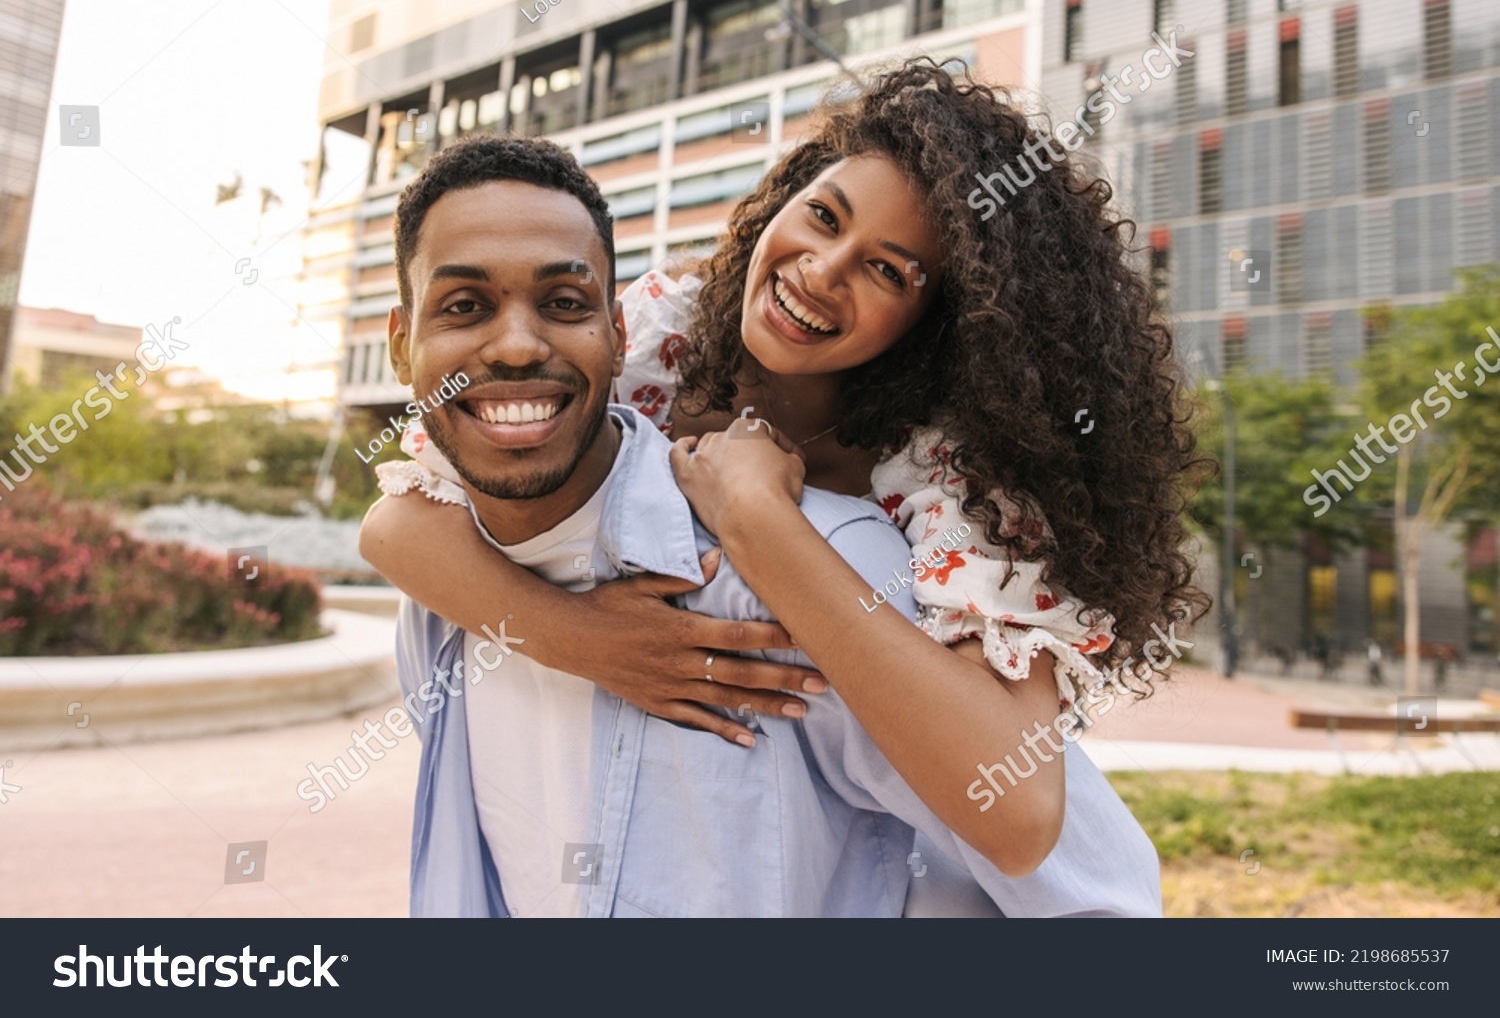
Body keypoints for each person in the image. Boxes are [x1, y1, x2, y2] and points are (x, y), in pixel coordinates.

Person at [365, 57, 1205, 907]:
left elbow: (1020, 814)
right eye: (823, 217)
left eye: (888, 270)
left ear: (942, 325)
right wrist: (594, 642)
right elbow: (396, 524)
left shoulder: (952, 488)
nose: (820, 268)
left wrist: (760, 520)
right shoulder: (664, 334)